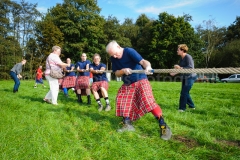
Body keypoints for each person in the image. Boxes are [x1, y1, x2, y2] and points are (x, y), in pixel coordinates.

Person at [106, 40, 171, 140]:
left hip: (140, 79)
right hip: (128, 82)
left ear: (119, 47)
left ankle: (163, 125)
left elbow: (143, 62)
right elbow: (116, 73)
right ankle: (127, 125)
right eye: (112, 55)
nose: (114, 56)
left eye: (115, 54)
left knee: (148, 101)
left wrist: (148, 67)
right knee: (121, 98)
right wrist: (123, 71)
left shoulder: (129, 51)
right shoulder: (113, 58)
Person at [170, 44, 197, 112]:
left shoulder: (188, 57)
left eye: (178, 50)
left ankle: (182, 108)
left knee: (184, 92)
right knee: (185, 92)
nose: (177, 51)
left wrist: (179, 67)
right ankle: (192, 106)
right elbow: (181, 69)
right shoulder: (181, 58)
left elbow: (190, 68)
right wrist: (174, 73)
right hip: (185, 77)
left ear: (182, 50)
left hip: (190, 77)